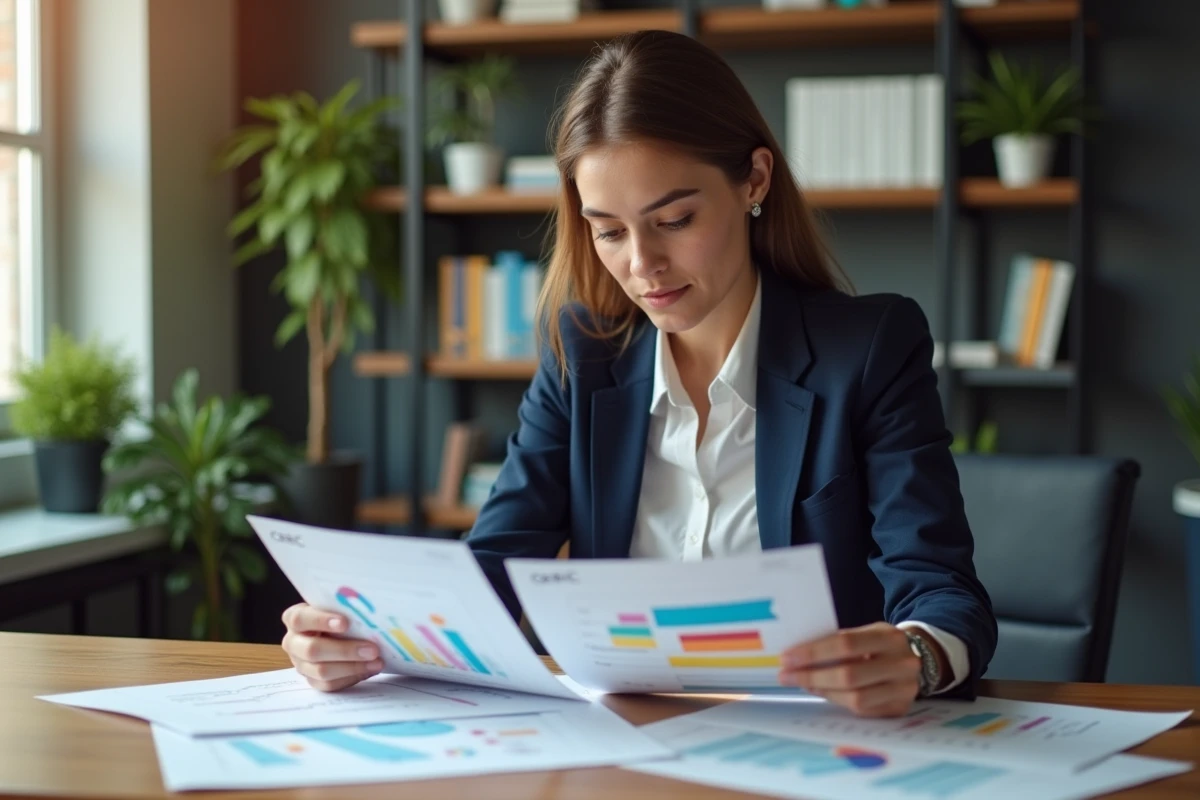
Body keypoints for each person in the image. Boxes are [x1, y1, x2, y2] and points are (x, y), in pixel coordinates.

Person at [281, 29, 997, 718]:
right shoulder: (583, 355)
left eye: (676, 220)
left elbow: (942, 591)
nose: (640, 265)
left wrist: (918, 656)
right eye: (610, 231)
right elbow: (494, 565)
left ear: (754, 179)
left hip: (812, 743)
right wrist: (358, 638)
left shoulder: (867, 348)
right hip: (628, 742)